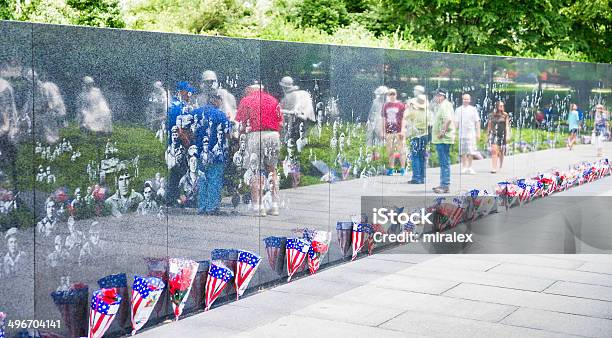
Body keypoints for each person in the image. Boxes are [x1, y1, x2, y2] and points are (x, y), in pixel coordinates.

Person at [236, 84, 282, 216]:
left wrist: (239, 137)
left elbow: (242, 124)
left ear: (250, 90)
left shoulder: (247, 100)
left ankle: (258, 206)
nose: (245, 93)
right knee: (272, 170)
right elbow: (280, 123)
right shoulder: (273, 100)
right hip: (273, 135)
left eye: (246, 91)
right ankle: (274, 206)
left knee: (256, 170)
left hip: (256, 135)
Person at [194, 94, 229, 214]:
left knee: (202, 179)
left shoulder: (197, 113)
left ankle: (202, 207)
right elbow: (227, 133)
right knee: (214, 179)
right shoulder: (220, 115)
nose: (221, 103)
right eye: (220, 100)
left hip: (199, 153)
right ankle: (212, 207)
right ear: (215, 100)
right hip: (216, 154)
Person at [431, 88, 455, 194]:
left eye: (436, 96)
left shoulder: (444, 105)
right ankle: (443, 184)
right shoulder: (444, 105)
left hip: (443, 139)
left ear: (441, 96)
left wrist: (442, 132)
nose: (435, 98)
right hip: (443, 139)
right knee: (443, 162)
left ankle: (445, 186)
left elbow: (448, 119)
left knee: (444, 162)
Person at [279, 76, 315, 143]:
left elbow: (283, 115)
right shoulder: (304, 93)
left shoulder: (287, 98)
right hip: (309, 123)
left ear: (283, 87)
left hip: (296, 125)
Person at [404, 94, 429, 184]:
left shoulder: (413, 112)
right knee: (422, 156)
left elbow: (405, 117)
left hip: (415, 137)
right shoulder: (427, 112)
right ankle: (422, 178)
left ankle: (416, 178)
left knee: (415, 157)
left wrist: (410, 107)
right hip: (425, 136)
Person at [381, 88, 406, 175]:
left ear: (396, 94)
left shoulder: (401, 105)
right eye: (390, 94)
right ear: (388, 95)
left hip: (398, 131)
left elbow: (404, 118)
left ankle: (403, 168)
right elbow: (384, 119)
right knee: (390, 151)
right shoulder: (385, 106)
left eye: (393, 94)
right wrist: (383, 131)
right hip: (389, 131)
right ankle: (391, 168)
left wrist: (403, 130)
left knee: (401, 150)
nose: (392, 96)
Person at [455, 93, 481, 174]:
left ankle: (470, 167)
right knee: (462, 151)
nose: (465, 100)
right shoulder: (458, 110)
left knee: (471, 151)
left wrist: (478, 133)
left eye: (467, 99)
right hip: (461, 133)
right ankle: (464, 167)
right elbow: (456, 122)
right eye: (464, 99)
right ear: (462, 100)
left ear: (470, 100)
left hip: (471, 134)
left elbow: (477, 122)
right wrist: (454, 132)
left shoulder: (473, 109)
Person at [165, 125, 187, 205]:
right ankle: (170, 201)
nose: (175, 137)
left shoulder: (182, 150)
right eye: (173, 135)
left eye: (176, 135)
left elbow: (185, 165)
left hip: (179, 175)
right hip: (170, 176)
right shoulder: (168, 150)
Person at [487, 101, 510, 173]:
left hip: (502, 134)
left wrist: (508, 135)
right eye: (500, 106)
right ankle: (494, 167)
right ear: (497, 106)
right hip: (494, 134)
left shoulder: (505, 115)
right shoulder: (492, 115)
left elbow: (507, 126)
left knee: (501, 151)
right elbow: (489, 126)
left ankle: (500, 165)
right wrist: (487, 135)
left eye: (503, 106)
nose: (502, 107)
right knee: (494, 151)